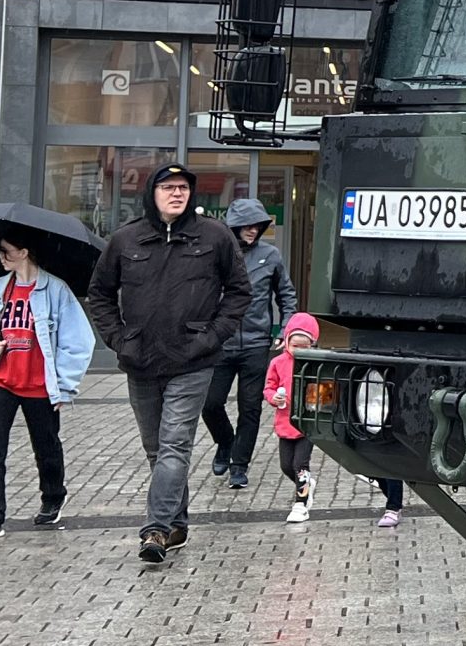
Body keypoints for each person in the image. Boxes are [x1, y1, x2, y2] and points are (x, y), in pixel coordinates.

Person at [84, 163, 251, 563]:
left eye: (183, 187)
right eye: (168, 187)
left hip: (193, 360)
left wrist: (210, 337)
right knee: (156, 448)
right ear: (152, 193)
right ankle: (177, 523)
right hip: (140, 360)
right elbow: (100, 294)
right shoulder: (125, 239)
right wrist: (120, 340)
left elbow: (239, 292)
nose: (177, 193)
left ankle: (155, 529)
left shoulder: (215, 236)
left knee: (175, 443)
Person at [0, 237, 99, 541]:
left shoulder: (56, 290)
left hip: (40, 385)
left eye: (6, 252)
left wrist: (64, 385)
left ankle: (53, 497)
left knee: (46, 448)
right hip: (0, 381)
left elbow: (77, 341)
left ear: (24, 252)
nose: (0, 257)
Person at [206, 199, 298, 489]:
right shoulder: (217, 254)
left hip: (256, 344)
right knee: (210, 403)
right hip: (221, 343)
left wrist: (286, 329)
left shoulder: (270, 255)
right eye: (247, 225)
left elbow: (287, 295)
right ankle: (225, 442)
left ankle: (239, 464)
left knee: (250, 408)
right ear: (234, 226)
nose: (253, 230)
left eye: (258, 225)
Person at [262, 312, 323, 522]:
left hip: (307, 424)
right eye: (295, 345)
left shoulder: (315, 364)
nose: (298, 351)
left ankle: (301, 504)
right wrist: (274, 398)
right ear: (287, 341)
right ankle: (305, 485)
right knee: (286, 465)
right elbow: (269, 387)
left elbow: (325, 389)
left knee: (300, 465)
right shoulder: (277, 363)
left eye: (304, 347)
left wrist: (317, 400)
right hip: (285, 422)